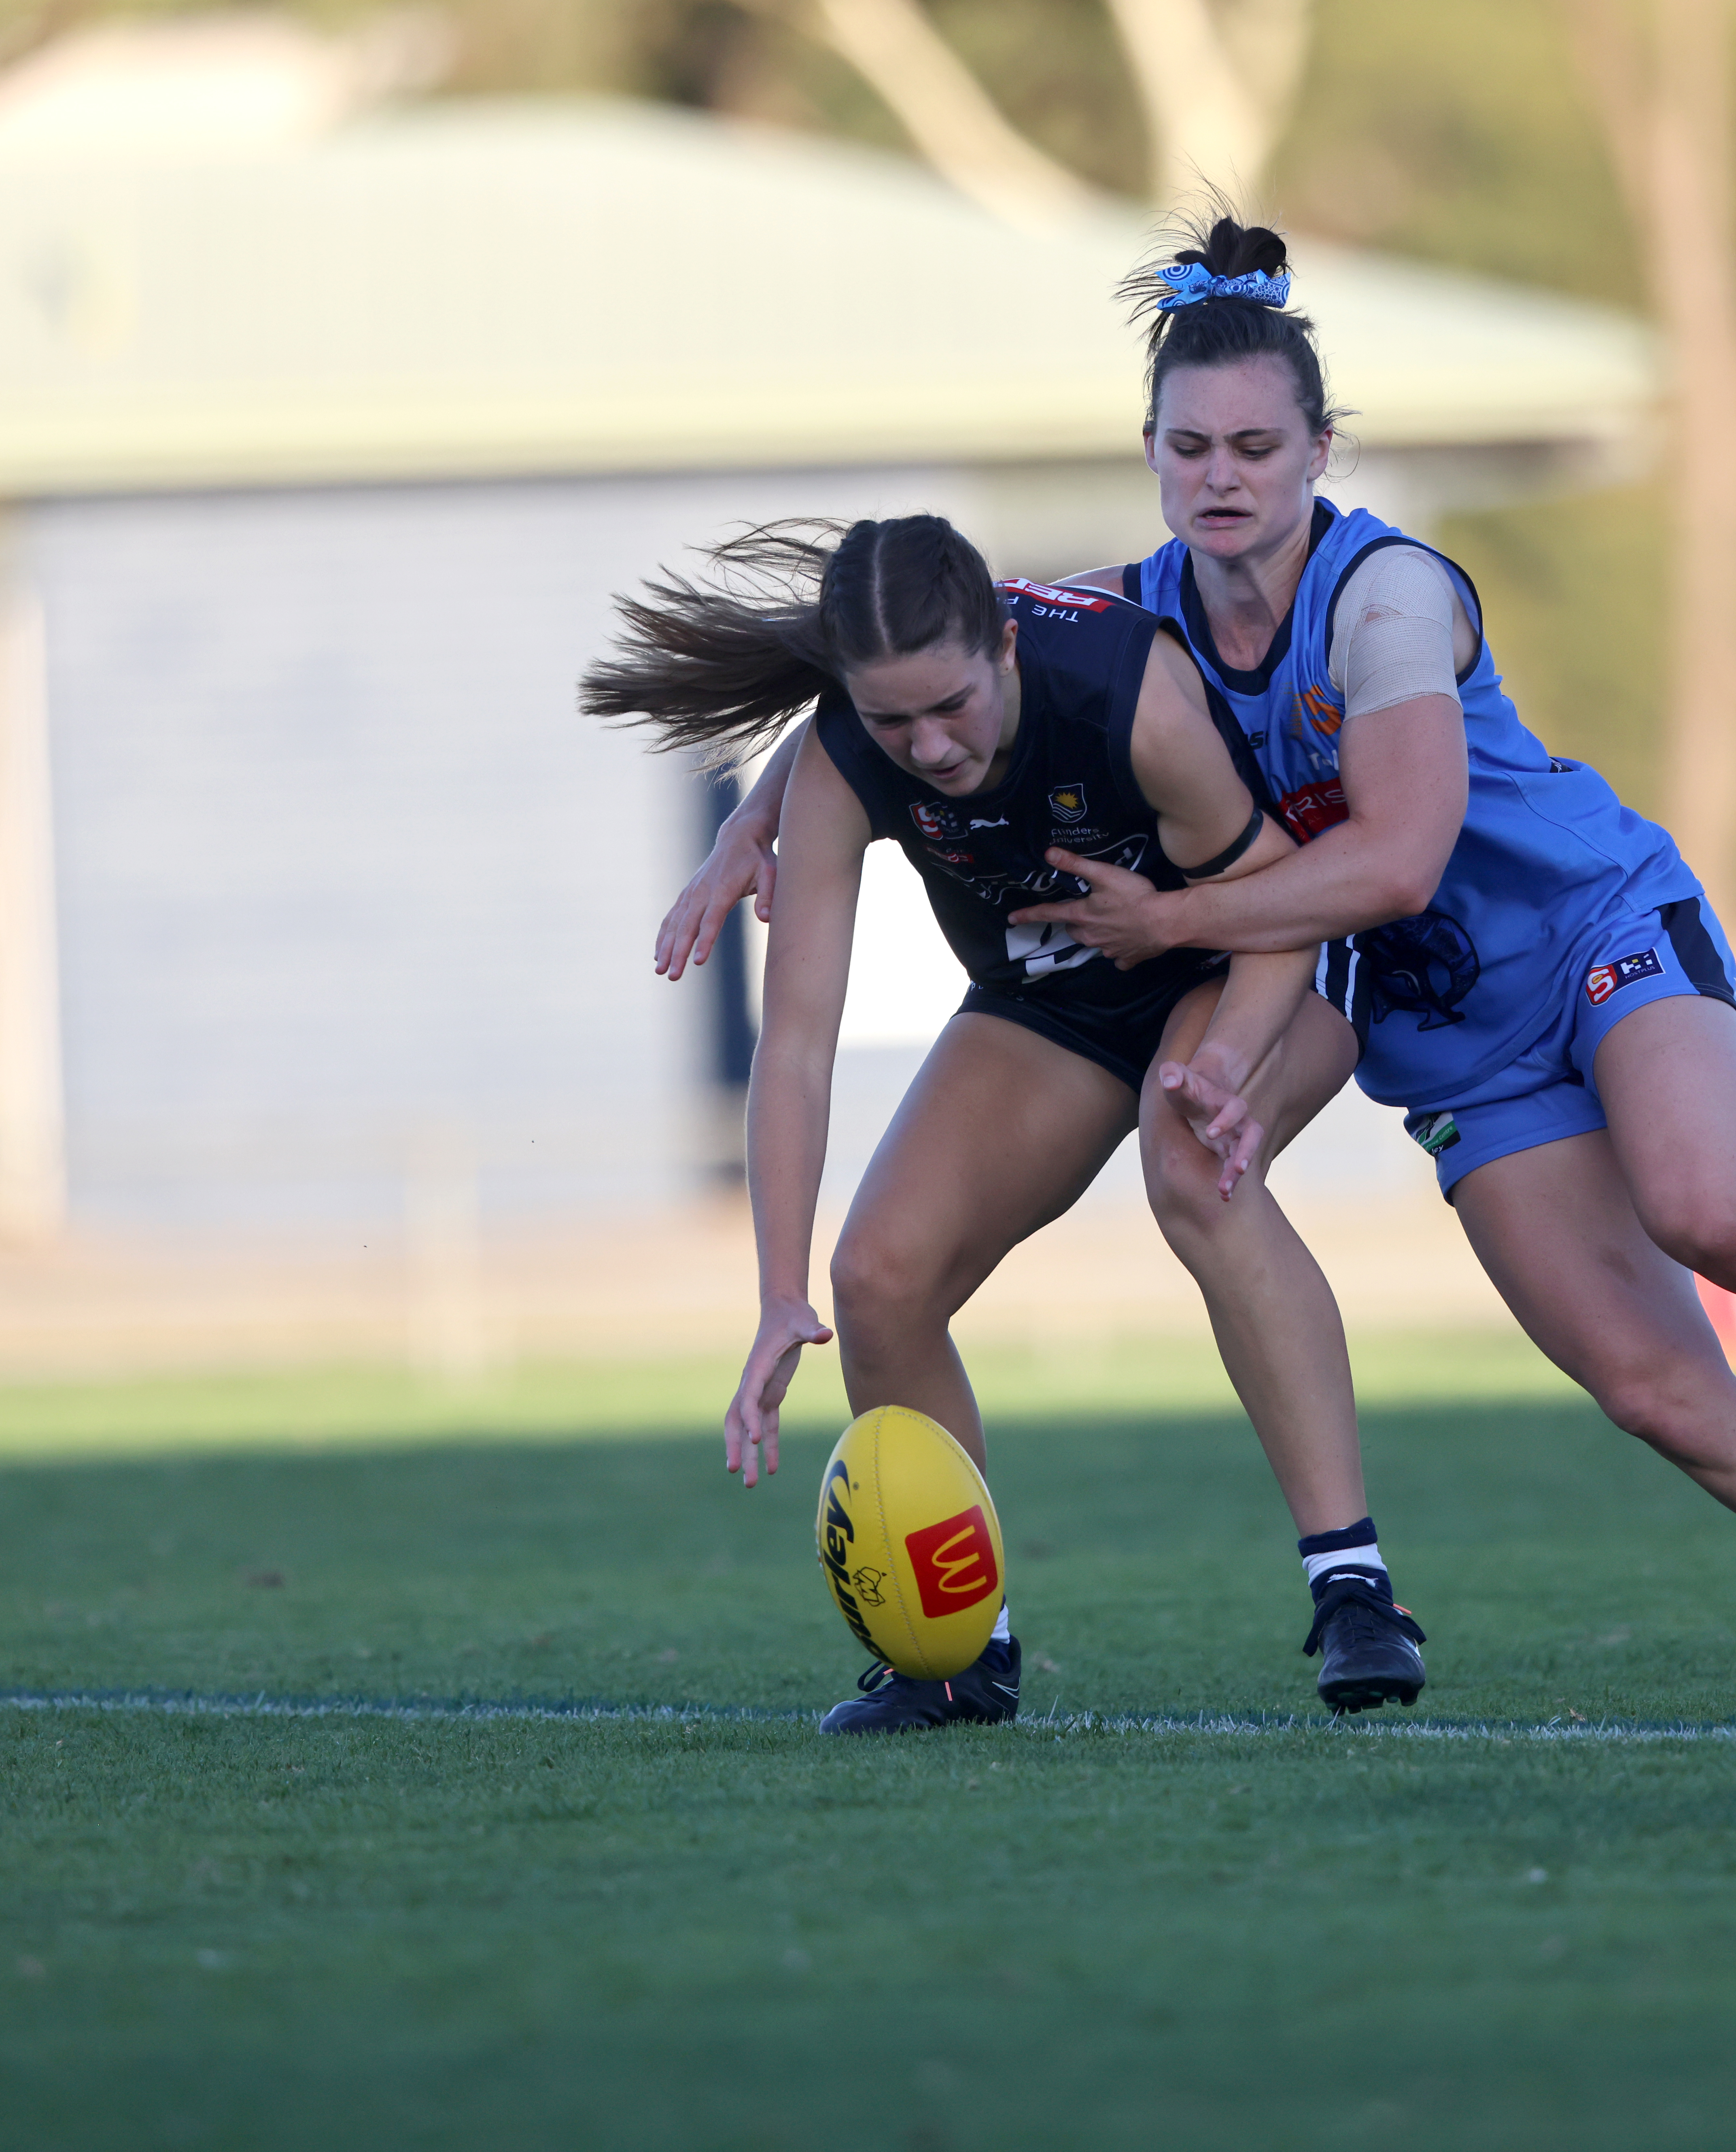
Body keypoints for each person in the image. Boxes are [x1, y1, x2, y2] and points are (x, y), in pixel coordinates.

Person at [661, 220, 1736, 1708]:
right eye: (1190, 449)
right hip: (1444, 1030)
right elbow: (944, 674)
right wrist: (772, 817)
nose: (1222, 477)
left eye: (1256, 445)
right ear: (1152, 452)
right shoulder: (1136, 610)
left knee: (1706, 1204)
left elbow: (1397, 864)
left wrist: (1174, 923)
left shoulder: (1384, 598)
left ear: (1323, 448)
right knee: (1654, 1392)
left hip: (1589, 935)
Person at [584, 514, 1425, 1730]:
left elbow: (1279, 907)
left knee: (1192, 1165)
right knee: (876, 1274)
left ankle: (1356, 1592)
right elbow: (801, 1042)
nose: (928, 746)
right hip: (1058, 998)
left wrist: (1229, 1064)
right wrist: (777, 1295)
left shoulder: (1122, 694)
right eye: (890, 722)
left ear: (1006, 647)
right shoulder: (844, 751)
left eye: (952, 707)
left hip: (1248, 950)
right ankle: (962, 1652)